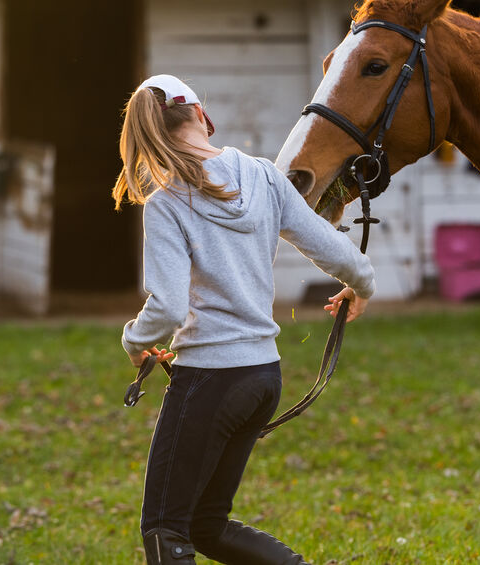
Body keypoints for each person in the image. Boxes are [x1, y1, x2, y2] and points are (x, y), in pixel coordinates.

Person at [113, 74, 375, 565]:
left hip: (210, 380)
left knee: (165, 529)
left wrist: (134, 341)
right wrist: (362, 286)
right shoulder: (263, 176)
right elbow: (331, 246)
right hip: (262, 377)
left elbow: (167, 307)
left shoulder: (167, 200)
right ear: (201, 116)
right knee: (205, 526)